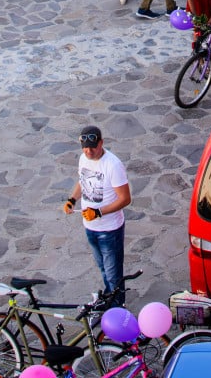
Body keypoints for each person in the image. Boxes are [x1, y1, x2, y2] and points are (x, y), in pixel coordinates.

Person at [63, 126, 131, 305]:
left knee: (113, 274)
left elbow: (125, 199)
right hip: (90, 227)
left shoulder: (113, 165)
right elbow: (82, 181)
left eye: (93, 146)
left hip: (109, 230)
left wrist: (98, 212)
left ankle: (117, 309)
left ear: (101, 143)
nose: (88, 150)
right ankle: (109, 300)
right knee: (103, 269)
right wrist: (72, 199)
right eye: (85, 147)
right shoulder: (83, 159)